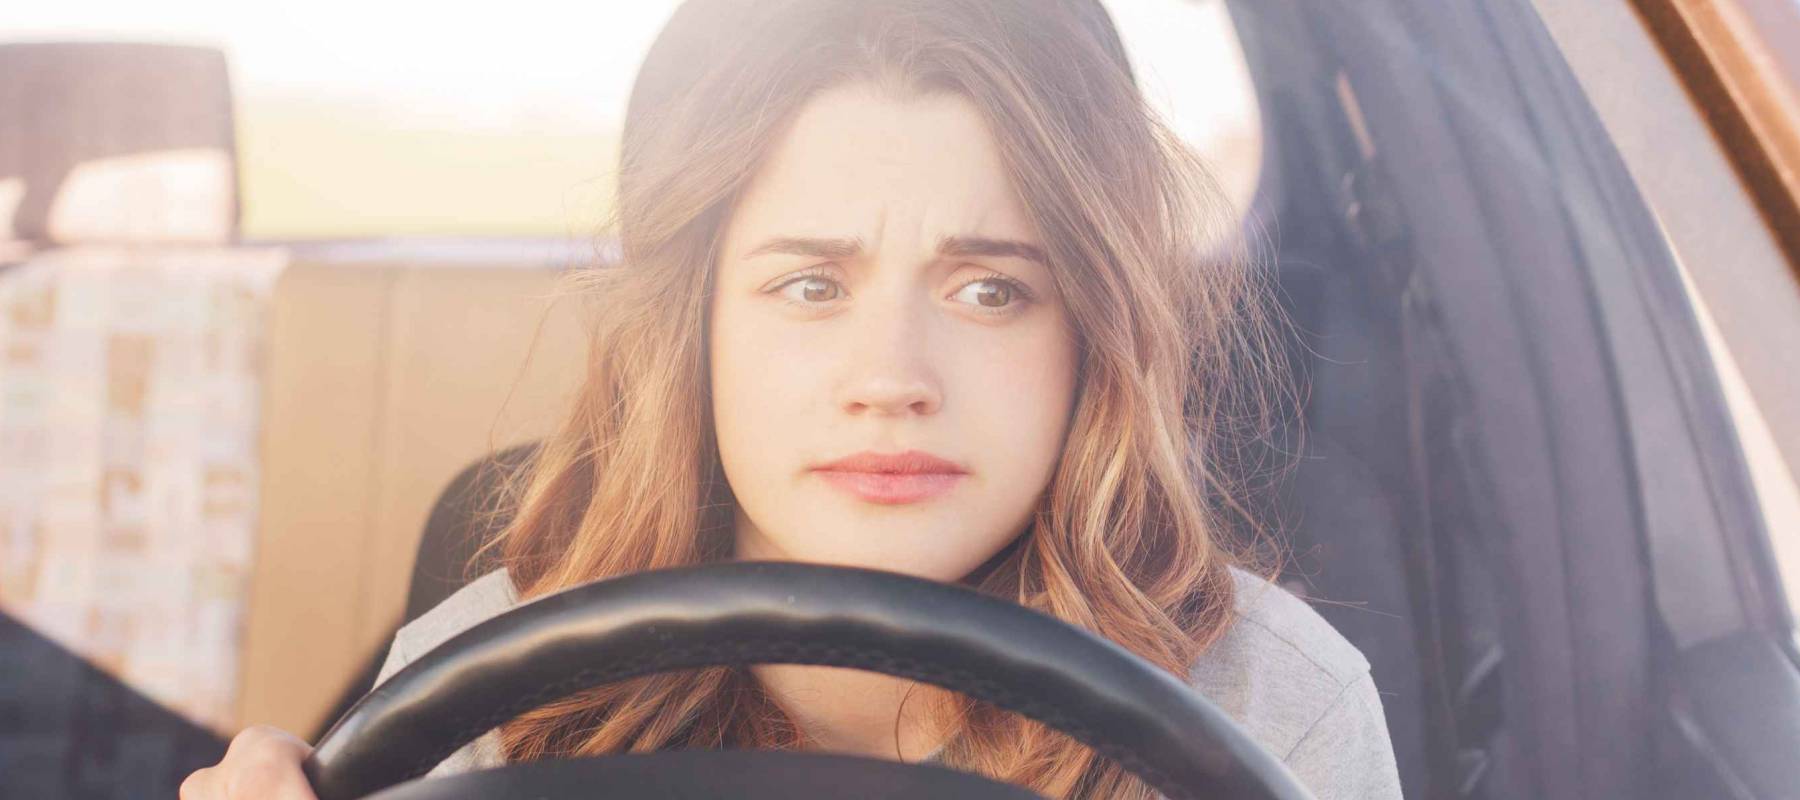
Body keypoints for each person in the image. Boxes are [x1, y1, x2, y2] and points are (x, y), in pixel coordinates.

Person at [181, 1, 1403, 798]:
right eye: (811, 283)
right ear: (694, 333)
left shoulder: (1267, 708)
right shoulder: (475, 693)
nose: (892, 380)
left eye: (990, 291)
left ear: (1092, 335)